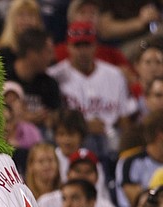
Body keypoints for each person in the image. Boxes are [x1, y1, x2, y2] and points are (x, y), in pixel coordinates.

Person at [47, 20, 135, 161]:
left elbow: (124, 118)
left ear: (95, 46)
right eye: (77, 46)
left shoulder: (115, 75)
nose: (82, 51)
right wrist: (84, 126)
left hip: (110, 136)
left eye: (86, 45)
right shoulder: (54, 76)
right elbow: (51, 118)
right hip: (73, 138)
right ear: (68, 47)